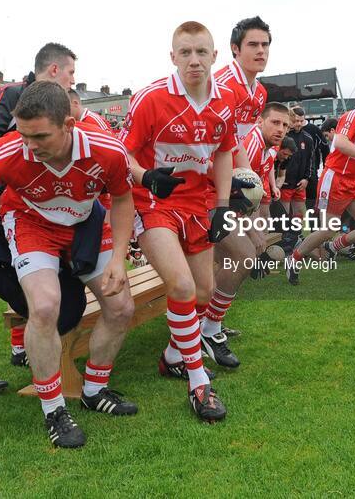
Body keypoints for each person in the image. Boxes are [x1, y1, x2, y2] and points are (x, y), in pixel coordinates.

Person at [0, 81, 136, 449]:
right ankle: (54, 408)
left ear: (69, 125)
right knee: (44, 306)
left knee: (121, 306)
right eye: (24, 134)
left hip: (83, 226)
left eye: (40, 136)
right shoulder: (8, 151)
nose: (30, 145)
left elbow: (123, 198)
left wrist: (120, 259)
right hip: (31, 225)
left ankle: (94, 388)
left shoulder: (106, 150)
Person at [119, 21, 235, 422]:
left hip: (198, 203)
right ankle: (198, 383)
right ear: (173, 57)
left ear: (215, 56)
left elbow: (223, 152)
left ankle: (172, 356)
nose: (194, 60)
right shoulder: (151, 98)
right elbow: (124, 155)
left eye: (202, 52)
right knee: (182, 284)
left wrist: (221, 204)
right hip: (153, 201)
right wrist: (146, 176)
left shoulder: (225, 101)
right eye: (185, 53)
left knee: (204, 291)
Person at [0, 43, 81, 392]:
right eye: (71, 72)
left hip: (18, 200)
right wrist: (1, 185)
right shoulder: (11, 95)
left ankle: (21, 344)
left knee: (29, 272)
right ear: (54, 70)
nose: (73, 80)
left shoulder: (50, 107)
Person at [205, 103, 289, 368]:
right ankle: (207, 328)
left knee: (223, 263)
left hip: (220, 204)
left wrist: (257, 224)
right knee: (243, 256)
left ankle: (207, 325)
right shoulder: (251, 144)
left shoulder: (267, 148)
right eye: (275, 122)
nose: (281, 129)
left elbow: (252, 194)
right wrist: (252, 230)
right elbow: (236, 190)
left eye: (285, 125)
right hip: (209, 203)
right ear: (261, 121)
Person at [286, 87, 355, 286]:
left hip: (354, 180)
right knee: (330, 229)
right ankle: (294, 258)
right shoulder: (352, 116)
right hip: (336, 178)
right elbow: (339, 142)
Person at [214, 16, 271, 142]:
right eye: (253, 45)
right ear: (235, 48)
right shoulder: (219, 86)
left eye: (265, 45)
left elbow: (238, 143)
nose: (261, 50)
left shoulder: (261, 93)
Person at [279, 105, 315, 246]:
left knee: (299, 212)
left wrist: (306, 178)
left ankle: (297, 237)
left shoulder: (307, 138)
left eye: (301, 120)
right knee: (284, 214)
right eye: (296, 120)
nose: (298, 123)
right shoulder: (283, 136)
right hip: (285, 183)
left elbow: (311, 161)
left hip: (300, 183)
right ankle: (286, 240)